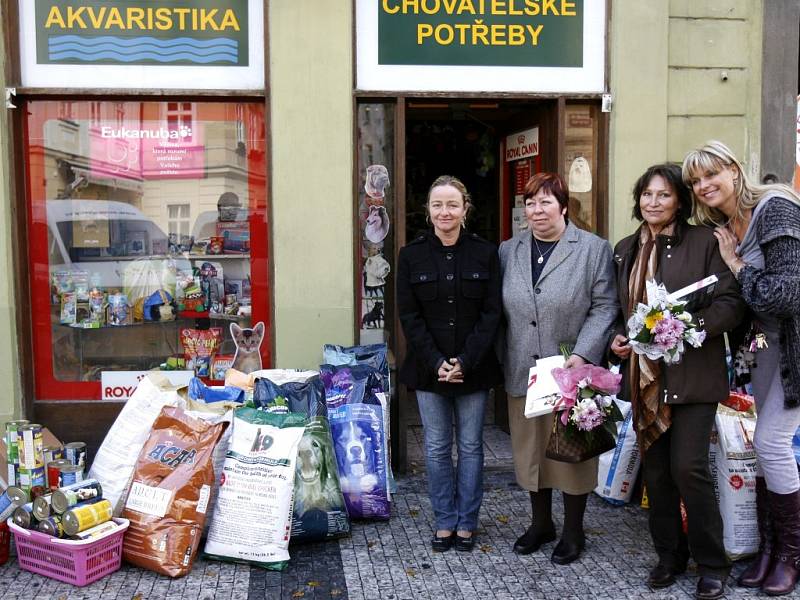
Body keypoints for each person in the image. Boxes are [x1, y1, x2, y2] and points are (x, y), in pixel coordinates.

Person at [609, 162, 745, 600]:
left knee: (688, 468)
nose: (653, 202)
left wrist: (687, 328)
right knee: (657, 472)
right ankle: (670, 556)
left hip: (692, 376)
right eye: (647, 195)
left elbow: (730, 304)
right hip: (645, 379)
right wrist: (620, 339)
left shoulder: (705, 242)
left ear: (680, 201)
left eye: (663, 195)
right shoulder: (626, 248)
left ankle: (712, 563)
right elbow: (623, 312)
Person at [683, 141, 800, 597]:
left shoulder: (774, 209)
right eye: (695, 180)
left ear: (734, 170)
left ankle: (791, 554)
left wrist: (737, 266)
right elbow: (748, 307)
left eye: (711, 174)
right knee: (765, 450)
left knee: (771, 443)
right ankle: (770, 550)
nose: (703, 185)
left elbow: (786, 296)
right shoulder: (724, 224)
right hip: (767, 343)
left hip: (794, 343)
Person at [499, 172, 618, 565]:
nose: (537, 210)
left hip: (571, 369)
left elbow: (605, 306)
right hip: (524, 368)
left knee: (572, 452)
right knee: (531, 450)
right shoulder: (508, 251)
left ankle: (573, 531)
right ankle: (540, 524)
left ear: (564, 207)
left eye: (546, 202)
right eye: (530, 203)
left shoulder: (592, 249)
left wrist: (583, 353)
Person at [397, 175, 502, 553]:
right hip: (429, 370)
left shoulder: (486, 253)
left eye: (452, 204)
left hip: (473, 368)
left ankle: (467, 522)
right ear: (428, 210)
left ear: (465, 208)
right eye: (438, 204)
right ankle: (444, 520)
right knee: (437, 448)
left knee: (472, 447)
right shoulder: (411, 256)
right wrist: (439, 361)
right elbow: (409, 317)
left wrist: (465, 361)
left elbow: (492, 314)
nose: (445, 211)